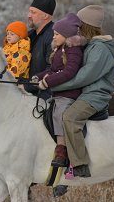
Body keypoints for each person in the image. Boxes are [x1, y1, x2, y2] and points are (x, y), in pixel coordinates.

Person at [51, 5, 114, 177]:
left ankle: (79, 165)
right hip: (84, 92)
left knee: (70, 118)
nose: (76, 28)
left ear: (86, 26)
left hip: (95, 95)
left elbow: (84, 77)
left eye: (79, 25)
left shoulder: (100, 49)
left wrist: (53, 86)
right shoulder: (88, 45)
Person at [32, 13, 86, 167]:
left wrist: (47, 82)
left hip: (69, 94)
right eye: (54, 34)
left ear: (66, 35)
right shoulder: (59, 50)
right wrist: (38, 77)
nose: (53, 37)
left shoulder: (73, 50)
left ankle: (61, 149)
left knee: (59, 114)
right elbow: (53, 70)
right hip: (57, 93)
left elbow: (69, 72)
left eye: (56, 34)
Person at [25, 0, 56, 99]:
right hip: (24, 94)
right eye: (29, 11)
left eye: (33, 12)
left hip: (43, 97)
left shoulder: (53, 36)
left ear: (45, 16)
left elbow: (52, 69)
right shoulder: (28, 36)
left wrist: (27, 86)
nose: (29, 15)